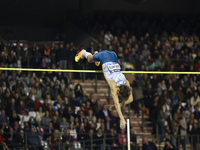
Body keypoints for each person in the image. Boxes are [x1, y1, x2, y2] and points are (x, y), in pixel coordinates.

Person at [75, 50, 133, 129]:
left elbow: (131, 99)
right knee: (89, 59)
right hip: (104, 56)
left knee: (97, 59)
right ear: (119, 92)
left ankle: (96, 56)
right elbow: (116, 103)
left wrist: (120, 104)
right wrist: (122, 119)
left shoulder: (126, 82)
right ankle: (83, 52)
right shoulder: (114, 86)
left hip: (114, 55)